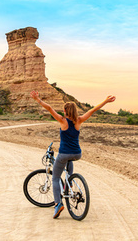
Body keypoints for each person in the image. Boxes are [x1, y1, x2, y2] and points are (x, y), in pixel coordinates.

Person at [30, 90, 116, 219]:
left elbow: (49, 108)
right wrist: (105, 101)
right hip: (77, 153)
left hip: (64, 153)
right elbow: (92, 110)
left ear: (65, 111)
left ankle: (58, 204)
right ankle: (69, 184)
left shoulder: (62, 120)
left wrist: (37, 99)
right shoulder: (79, 120)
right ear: (75, 111)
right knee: (68, 168)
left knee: (55, 178)